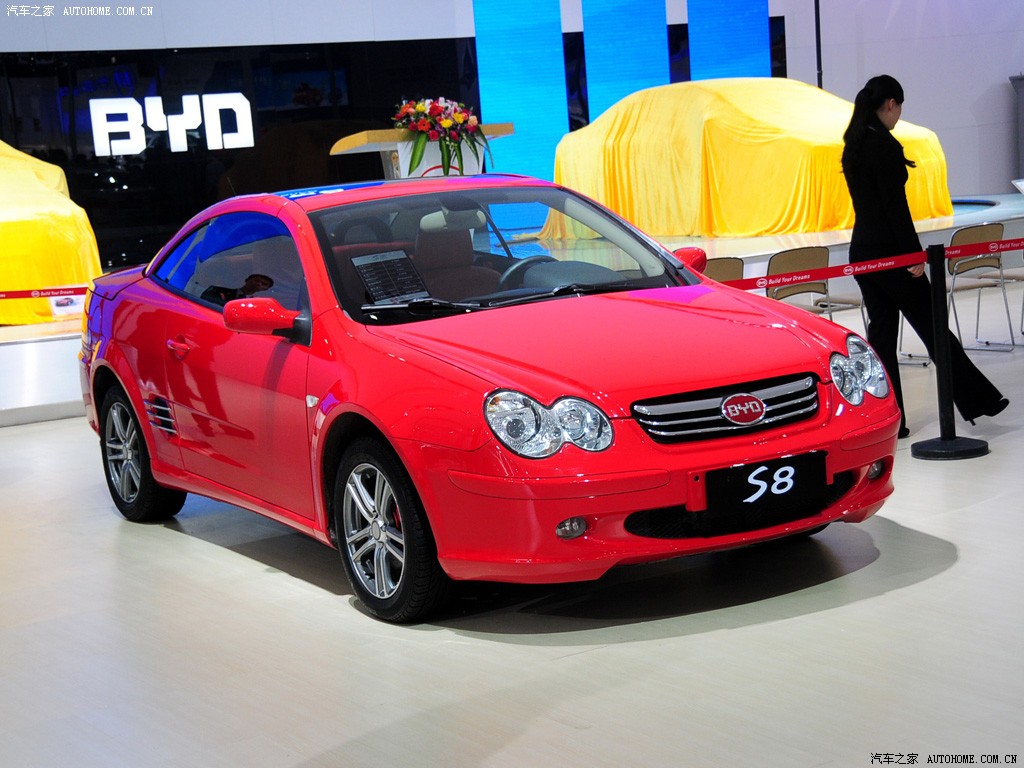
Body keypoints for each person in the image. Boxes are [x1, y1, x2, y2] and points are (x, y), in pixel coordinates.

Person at [841, 74, 1008, 438]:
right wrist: (912, 253)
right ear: (891, 104)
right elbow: (895, 208)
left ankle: (888, 418)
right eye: (899, 108)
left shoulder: (854, 143)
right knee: (933, 328)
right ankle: (979, 400)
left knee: (882, 337)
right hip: (892, 255)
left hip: (864, 252)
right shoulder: (883, 145)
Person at [201, 273, 274, 306]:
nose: (259, 284)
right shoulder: (217, 290)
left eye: (264, 284)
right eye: (257, 280)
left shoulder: (260, 305)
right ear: (247, 280)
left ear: (266, 289)